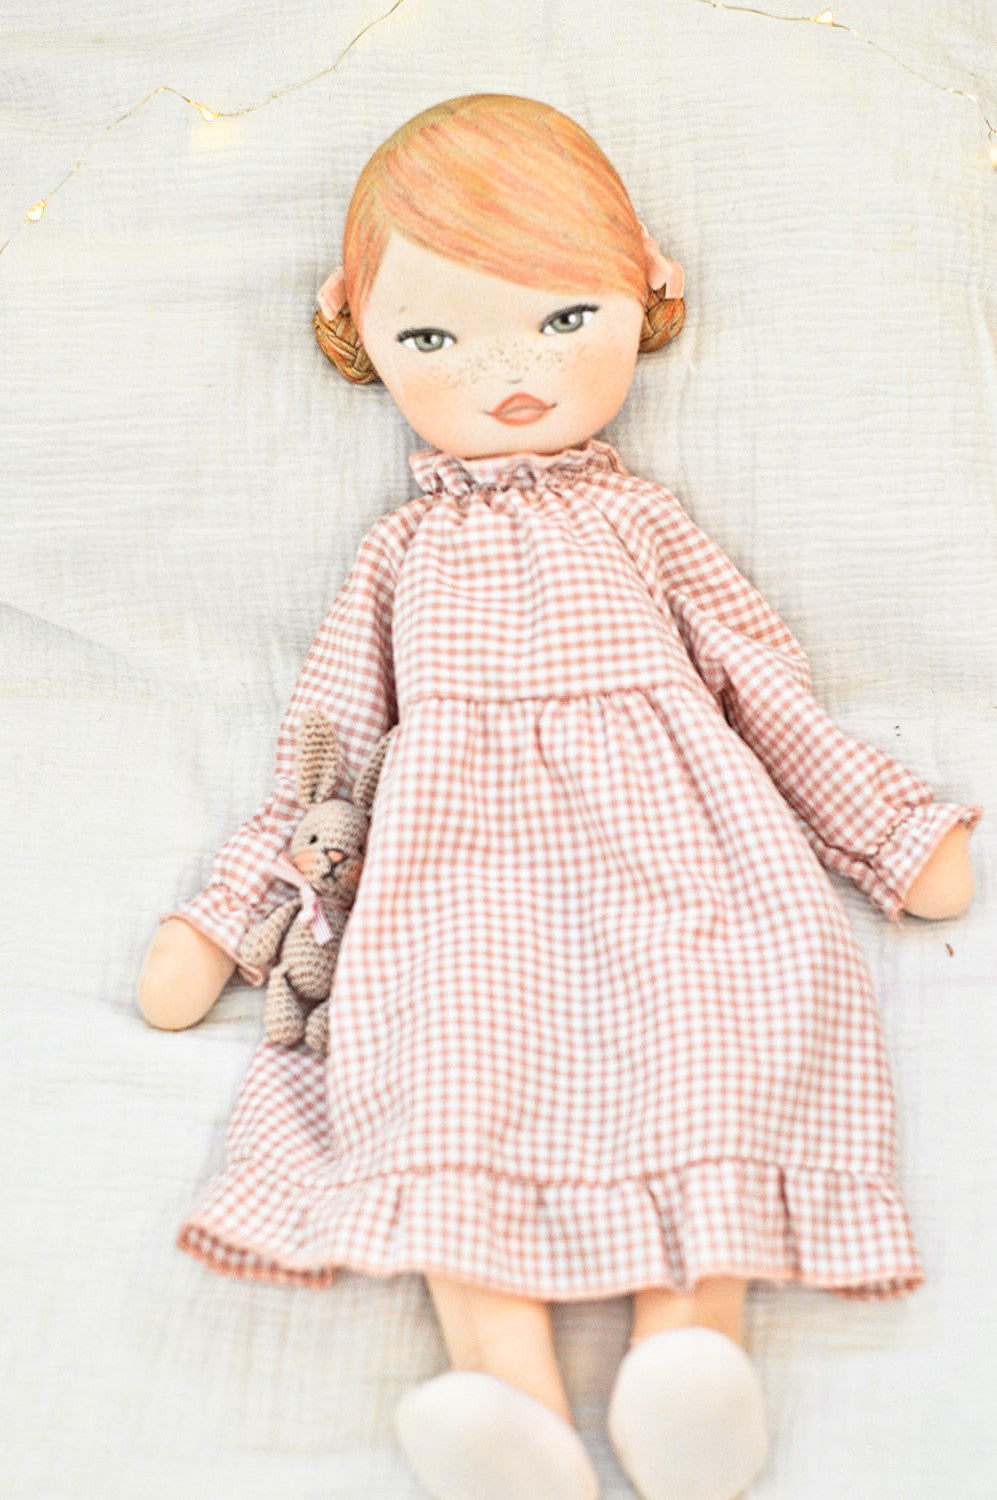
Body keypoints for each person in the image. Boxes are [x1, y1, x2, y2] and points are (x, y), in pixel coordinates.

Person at [138, 94, 981, 1500]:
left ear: (646, 289)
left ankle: (689, 1350)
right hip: (456, 871)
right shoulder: (397, 557)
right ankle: (503, 1396)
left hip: (682, 846)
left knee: (720, 1026)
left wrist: (885, 828)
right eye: (433, 338)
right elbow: (333, 754)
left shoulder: (642, 521)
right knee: (445, 1064)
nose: (508, 371)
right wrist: (232, 914)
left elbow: (758, 684)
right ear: (355, 328)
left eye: (562, 317)